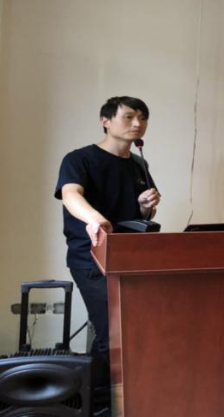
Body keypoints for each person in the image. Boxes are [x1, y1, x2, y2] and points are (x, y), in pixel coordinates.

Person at [55, 96, 161, 417]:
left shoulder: (139, 164)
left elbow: (140, 215)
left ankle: (103, 399)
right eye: (128, 116)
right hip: (91, 258)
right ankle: (103, 406)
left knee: (121, 331)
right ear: (105, 121)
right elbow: (70, 194)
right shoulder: (79, 159)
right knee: (111, 332)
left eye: (142, 117)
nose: (137, 123)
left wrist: (145, 206)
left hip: (130, 258)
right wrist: (95, 219)